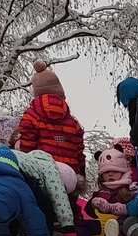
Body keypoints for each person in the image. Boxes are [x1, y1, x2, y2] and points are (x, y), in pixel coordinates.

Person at [16, 62, 86, 191]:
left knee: (42, 201)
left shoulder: (31, 115)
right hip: (70, 174)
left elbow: (27, 144)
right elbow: (79, 150)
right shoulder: (72, 122)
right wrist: (81, 171)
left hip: (44, 171)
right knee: (69, 201)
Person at [88, 146, 138, 236]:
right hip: (102, 225)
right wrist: (93, 203)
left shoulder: (131, 189)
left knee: (126, 224)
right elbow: (90, 213)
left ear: (123, 172)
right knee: (83, 224)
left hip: (121, 223)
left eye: (115, 171)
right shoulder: (100, 191)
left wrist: (125, 209)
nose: (110, 174)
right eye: (107, 172)